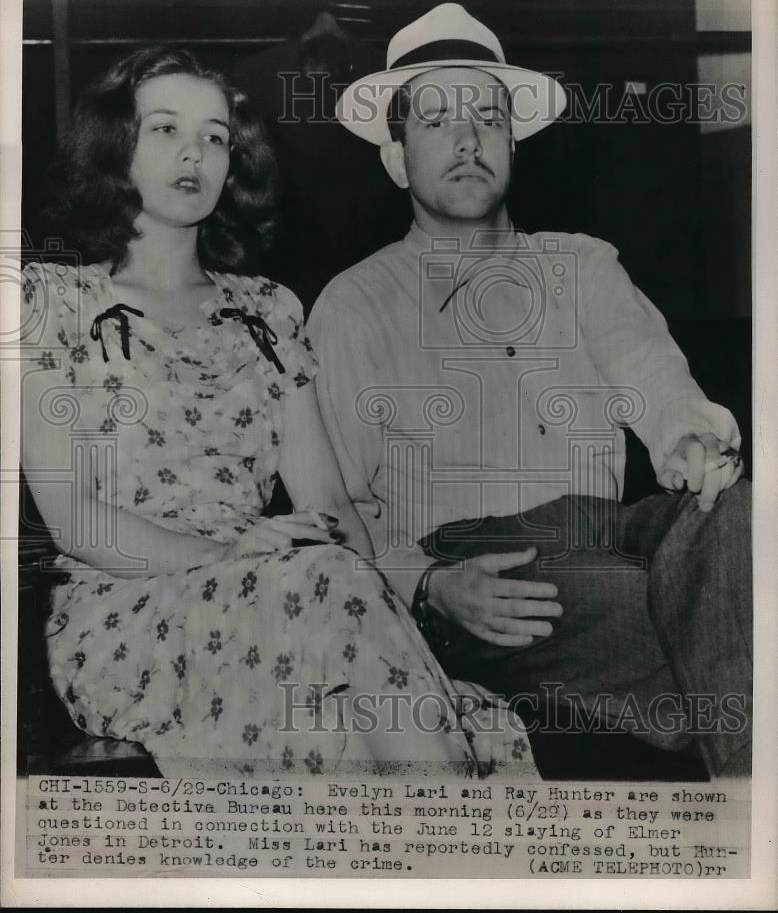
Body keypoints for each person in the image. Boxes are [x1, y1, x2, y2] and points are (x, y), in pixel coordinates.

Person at [19, 45, 538, 779]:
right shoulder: (51, 304)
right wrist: (230, 556)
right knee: (332, 617)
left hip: (288, 597)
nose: (193, 153)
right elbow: (77, 519)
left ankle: (427, 852)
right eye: (164, 129)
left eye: (215, 136)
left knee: (351, 705)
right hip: (131, 617)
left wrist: (385, 592)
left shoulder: (266, 312)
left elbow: (330, 506)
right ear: (117, 144)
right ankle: (460, 844)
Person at [308, 4, 752, 777]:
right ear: (395, 160)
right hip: (482, 563)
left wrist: (690, 438)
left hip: (615, 531)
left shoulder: (582, 266)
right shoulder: (354, 305)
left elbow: (655, 376)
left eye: (488, 116)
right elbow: (333, 511)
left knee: (742, 517)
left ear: (514, 142)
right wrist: (431, 587)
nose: (468, 138)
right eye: (437, 121)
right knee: (706, 610)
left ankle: (746, 783)